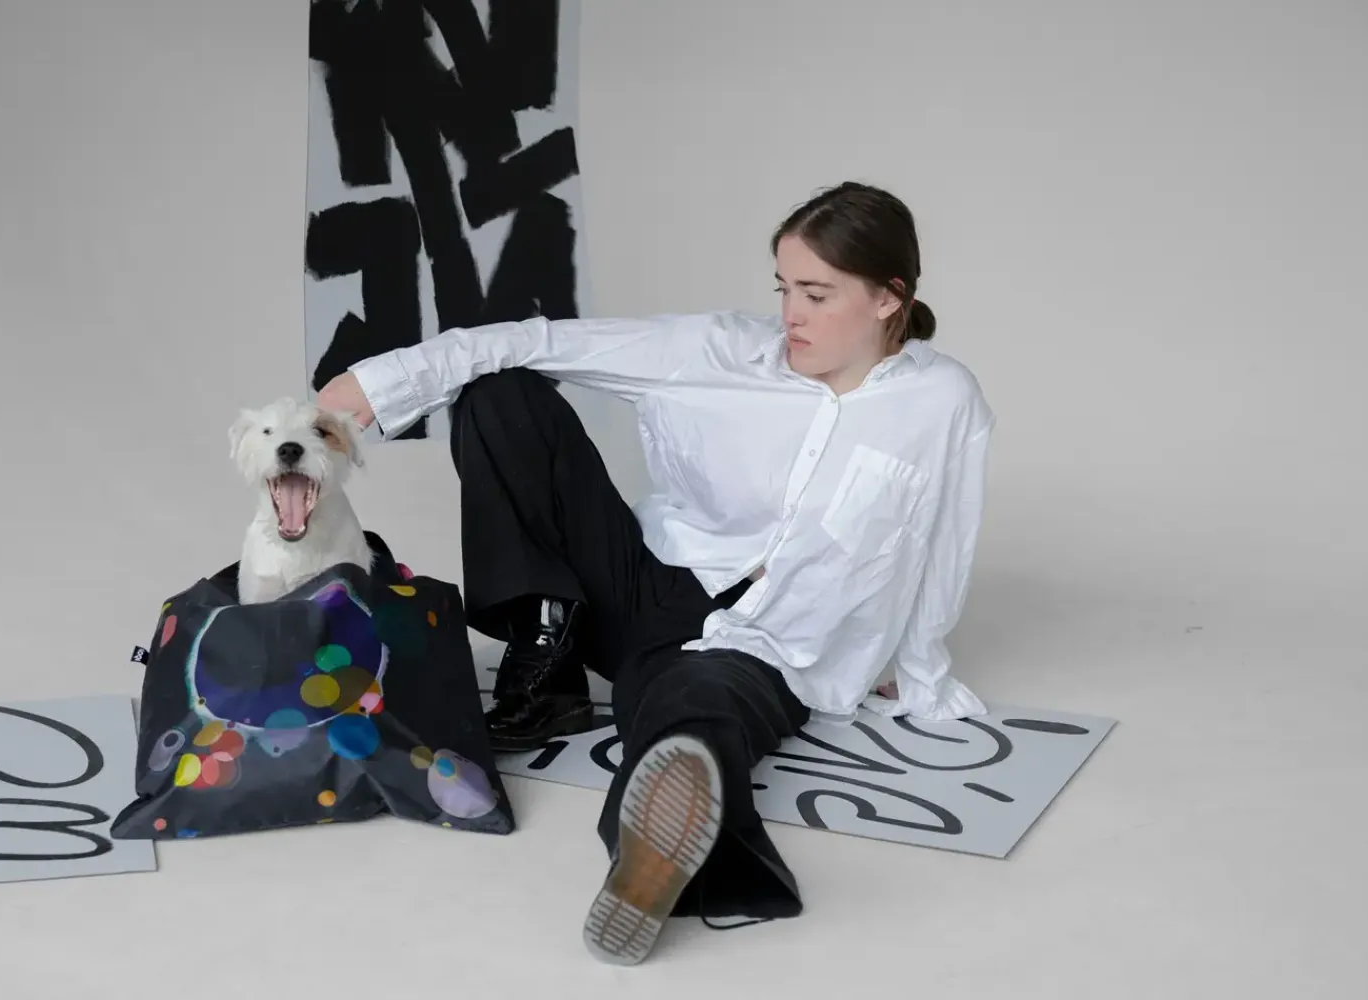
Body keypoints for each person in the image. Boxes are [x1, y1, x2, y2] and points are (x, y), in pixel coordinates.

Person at [316, 181, 995, 965]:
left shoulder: (942, 401)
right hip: (640, 585)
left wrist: (916, 668)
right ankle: (549, 659)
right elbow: (534, 341)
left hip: (770, 640)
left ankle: (653, 859)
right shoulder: (718, 350)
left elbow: (944, 539)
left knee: (690, 706)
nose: (790, 315)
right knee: (499, 393)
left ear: (888, 298)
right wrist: (379, 382)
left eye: (816, 294)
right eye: (783, 288)